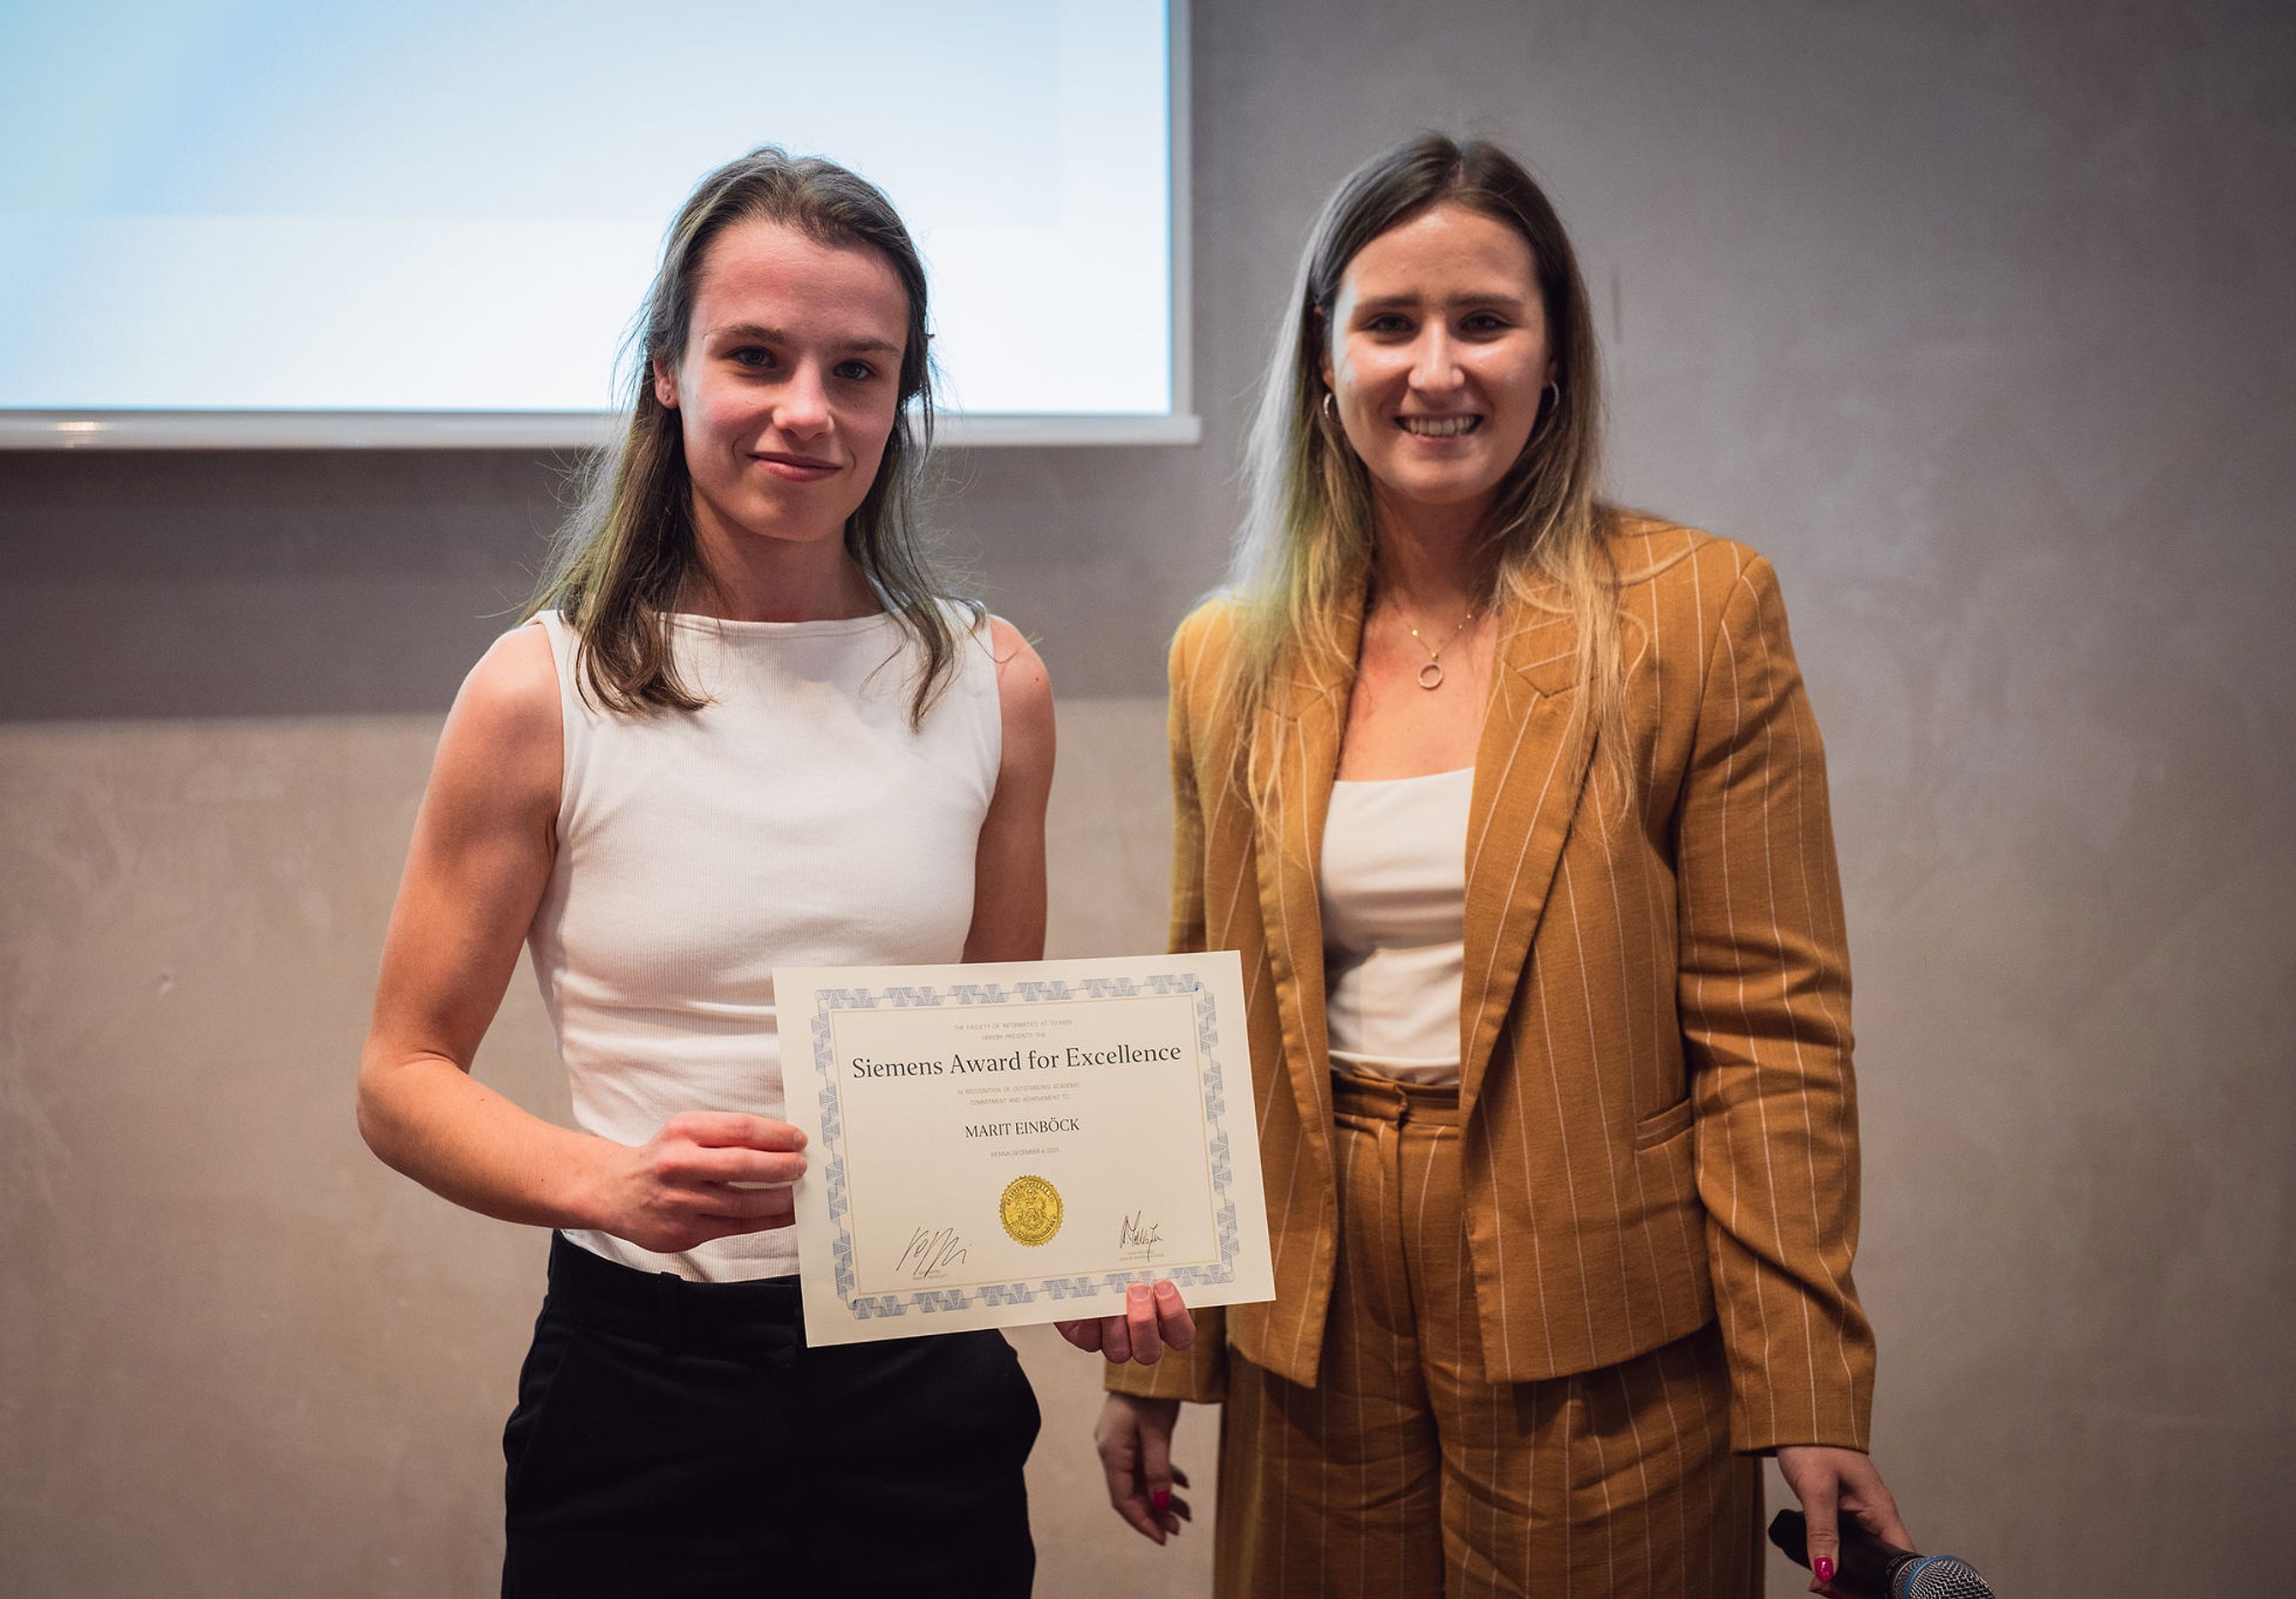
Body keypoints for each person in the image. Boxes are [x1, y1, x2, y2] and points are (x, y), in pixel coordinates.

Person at [1094, 134, 1913, 1598]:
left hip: (1602, 1320)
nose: (1437, 369)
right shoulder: (1226, 655)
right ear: (1325, 361)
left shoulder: (1698, 611)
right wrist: (1158, 1362)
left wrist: (1806, 1382)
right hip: (1312, 1313)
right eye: (1390, 323)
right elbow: (1202, 1025)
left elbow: (1773, 1034)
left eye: (1483, 319)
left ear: (1555, 355)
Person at [355, 147, 1174, 1598]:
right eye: (756, 356)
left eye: (859, 371)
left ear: (904, 398)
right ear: (668, 370)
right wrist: (613, 1184)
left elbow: (994, 1078)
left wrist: (1069, 1260)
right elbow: (401, 1077)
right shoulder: (540, 691)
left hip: (922, 1381)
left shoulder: (991, 682)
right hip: (642, 1385)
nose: (809, 410)